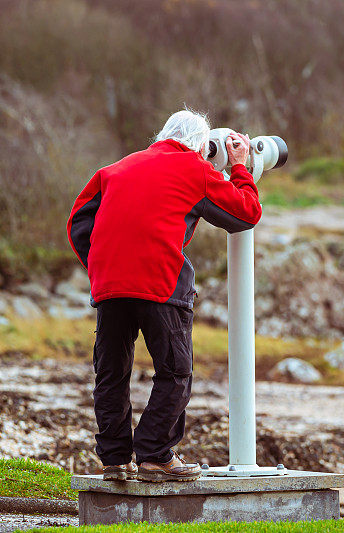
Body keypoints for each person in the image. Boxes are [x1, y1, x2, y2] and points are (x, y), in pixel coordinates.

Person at [66, 109, 262, 482]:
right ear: (202, 147)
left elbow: (78, 220)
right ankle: (155, 454)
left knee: (111, 373)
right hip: (160, 283)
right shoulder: (195, 168)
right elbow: (246, 213)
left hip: (109, 285)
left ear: (163, 135)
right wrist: (239, 166)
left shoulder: (115, 169)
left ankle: (115, 460)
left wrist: (99, 267)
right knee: (174, 371)